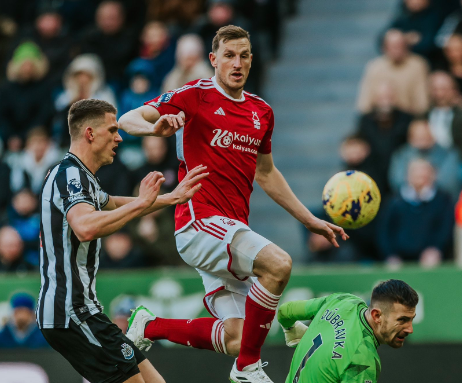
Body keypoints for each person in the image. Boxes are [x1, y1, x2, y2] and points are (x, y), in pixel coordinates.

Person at [119, 25, 348, 383]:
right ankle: (248, 369)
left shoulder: (262, 112)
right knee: (278, 265)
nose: (236, 63)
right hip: (198, 222)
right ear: (213, 60)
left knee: (238, 336)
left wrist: (309, 220)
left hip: (230, 230)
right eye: (228, 55)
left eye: (243, 55)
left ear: (252, 60)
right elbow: (126, 119)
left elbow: (267, 174)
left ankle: (150, 326)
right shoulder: (195, 95)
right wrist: (155, 128)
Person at [37, 98, 208, 383]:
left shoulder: (83, 177)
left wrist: (171, 198)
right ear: (90, 133)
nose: (119, 137)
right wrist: (141, 205)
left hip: (81, 311)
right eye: (113, 130)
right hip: (71, 312)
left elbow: (113, 204)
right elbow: (85, 227)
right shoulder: (70, 175)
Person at [277, 279, 418, 383]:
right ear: (377, 315)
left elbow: (284, 312)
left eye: (411, 319)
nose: (410, 329)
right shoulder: (362, 360)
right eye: (402, 320)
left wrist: (291, 330)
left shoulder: (342, 301)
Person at [380, 159, 454, 267]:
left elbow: (445, 228)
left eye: (424, 172)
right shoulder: (394, 201)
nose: (420, 176)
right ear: (407, 175)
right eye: (415, 172)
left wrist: (436, 249)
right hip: (398, 259)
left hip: (431, 259)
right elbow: (384, 230)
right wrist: (390, 254)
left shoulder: (443, 200)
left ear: (433, 175)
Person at [357, 29, 429, 115]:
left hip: (409, 117)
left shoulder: (418, 66)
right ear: (384, 48)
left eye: (400, 45)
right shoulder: (375, 67)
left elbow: (422, 104)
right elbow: (364, 104)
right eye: (393, 46)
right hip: (380, 118)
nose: (397, 49)